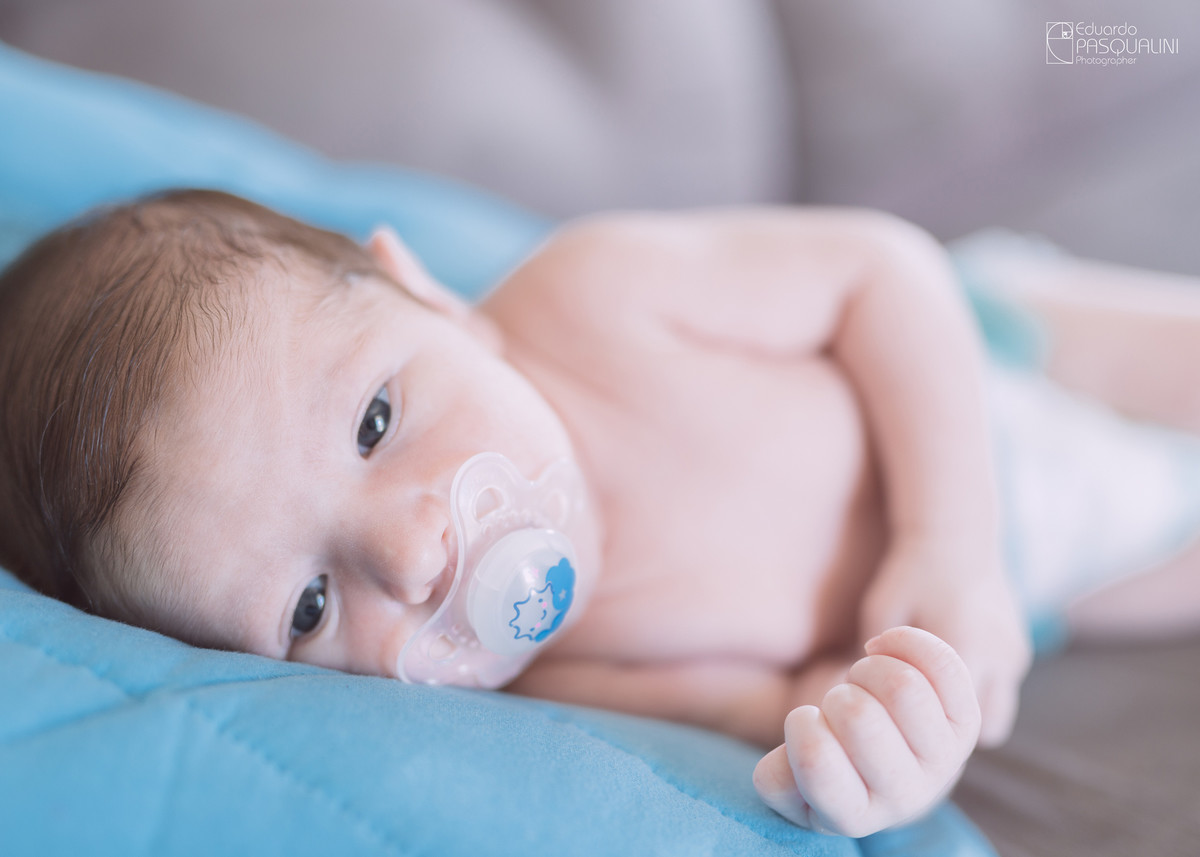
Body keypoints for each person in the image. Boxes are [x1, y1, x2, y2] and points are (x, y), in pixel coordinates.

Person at [2, 190, 1199, 837]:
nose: (413, 553)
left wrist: (949, 541)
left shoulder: (595, 296)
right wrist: (873, 741)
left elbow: (880, 274)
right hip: (1042, 585)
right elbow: (773, 700)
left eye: (374, 420)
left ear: (427, 294)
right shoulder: (558, 677)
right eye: (310, 604)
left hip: (994, 363)